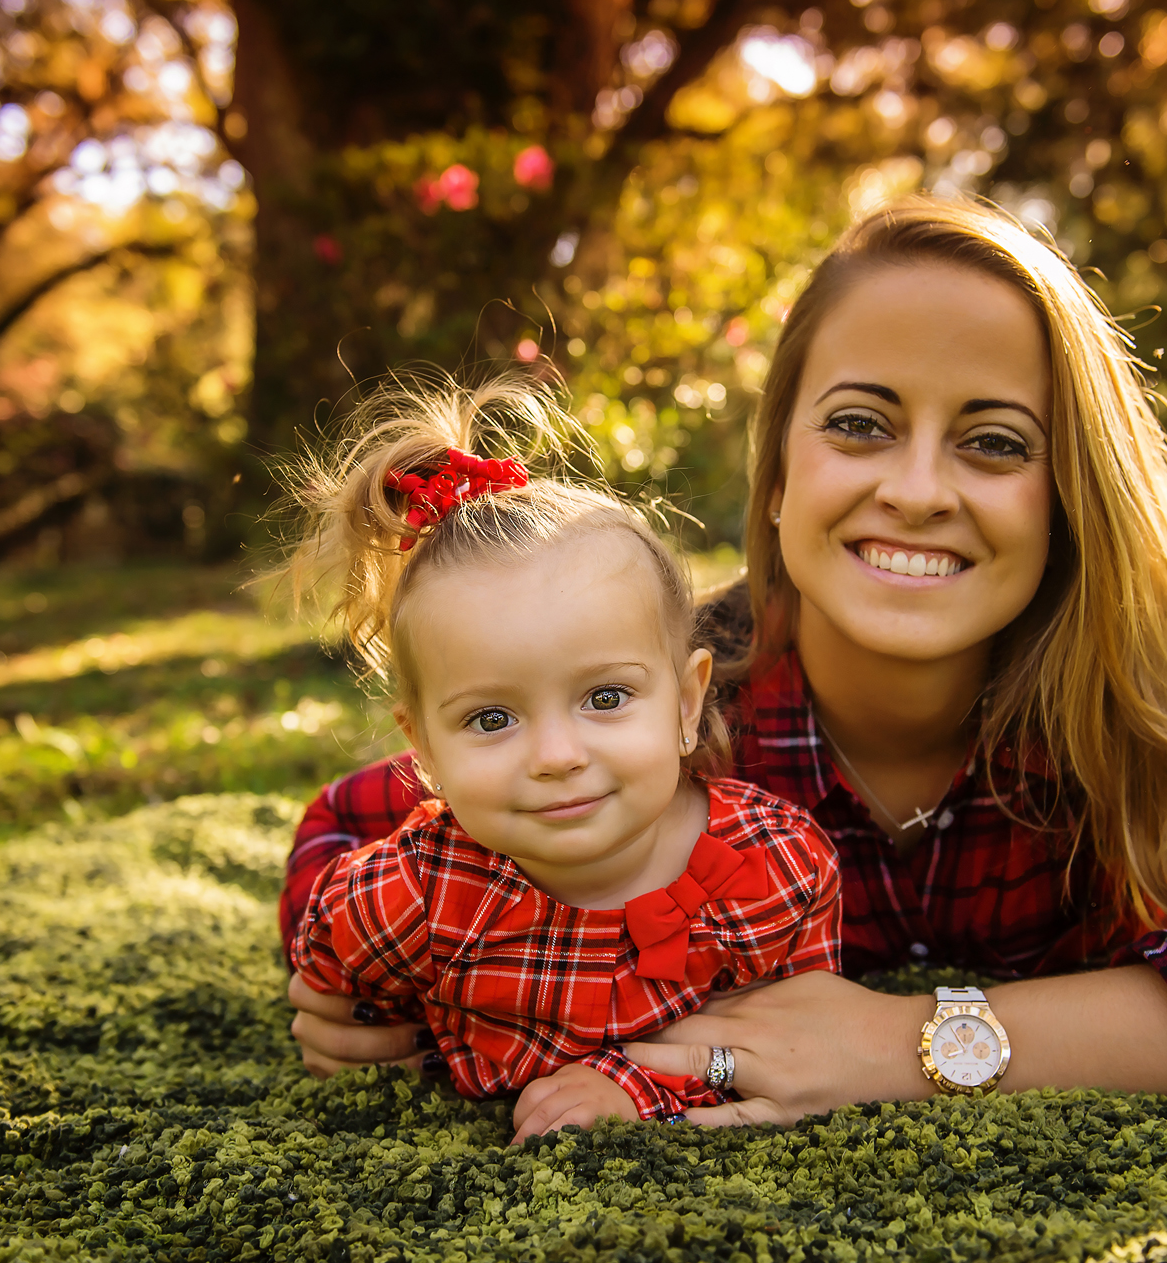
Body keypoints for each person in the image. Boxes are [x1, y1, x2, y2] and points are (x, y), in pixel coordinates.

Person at [283, 199, 1167, 1124]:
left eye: (991, 441)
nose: (916, 492)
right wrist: (340, 1003)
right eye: (859, 424)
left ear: (1068, 488)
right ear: (777, 473)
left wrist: (921, 1043)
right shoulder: (663, 707)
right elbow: (355, 823)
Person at [277, 375, 842, 1142]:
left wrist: (637, 1087)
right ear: (424, 747)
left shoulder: (776, 868)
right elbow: (327, 963)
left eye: (605, 698)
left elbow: (805, 1047)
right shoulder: (417, 889)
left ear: (684, 702)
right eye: (492, 717)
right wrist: (354, 1032)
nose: (555, 755)